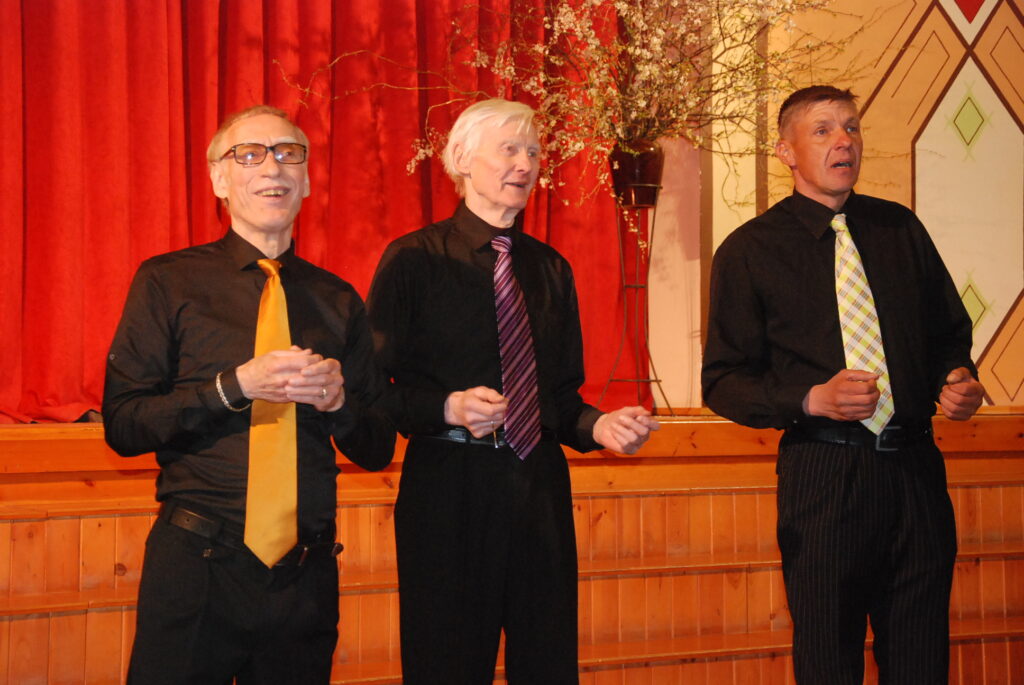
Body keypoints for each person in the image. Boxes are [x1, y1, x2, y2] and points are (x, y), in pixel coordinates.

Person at [366, 98, 660, 683]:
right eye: (509, 150)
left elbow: (559, 399)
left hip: (539, 489)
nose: (524, 164)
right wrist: (446, 407)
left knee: (547, 664)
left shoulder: (550, 268)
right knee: (446, 667)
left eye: (532, 152)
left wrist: (599, 426)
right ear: (462, 160)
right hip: (447, 490)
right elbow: (370, 390)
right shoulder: (413, 260)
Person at [702, 85, 985, 684]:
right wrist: (810, 399)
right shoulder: (750, 251)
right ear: (786, 151)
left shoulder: (899, 229)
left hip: (915, 471)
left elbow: (948, 334)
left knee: (921, 660)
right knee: (829, 658)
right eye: (824, 129)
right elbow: (723, 381)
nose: (844, 142)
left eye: (852, 128)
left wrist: (958, 378)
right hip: (824, 475)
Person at [102, 105, 395, 685]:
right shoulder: (167, 281)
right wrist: (234, 387)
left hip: (305, 578)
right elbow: (125, 425)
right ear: (219, 179)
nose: (273, 168)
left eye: (289, 154)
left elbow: (378, 447)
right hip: (197, 568)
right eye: (250, 154)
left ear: (306, 182)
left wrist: (337, 404)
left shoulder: (339, 299)